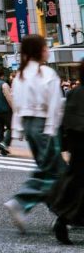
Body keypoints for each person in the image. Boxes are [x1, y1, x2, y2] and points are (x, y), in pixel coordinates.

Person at [4, 34, 67, 234]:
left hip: (30, 126)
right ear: (39, 50)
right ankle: (21, 201)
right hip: (44, 125)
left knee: (47, 168)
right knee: (56, 172)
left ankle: (62, 213)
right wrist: (52, 129)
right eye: (46, 47)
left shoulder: (21, 75)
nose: (48, 50)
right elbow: (55, 105)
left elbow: (17, 106)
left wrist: (18, 130)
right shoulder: (46, 73)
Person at [50, 63, 84, 244]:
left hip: (78, 149)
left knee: (76, 187)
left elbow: (67, 123)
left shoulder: (74, 93)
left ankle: (63, 219)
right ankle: (64, 219)